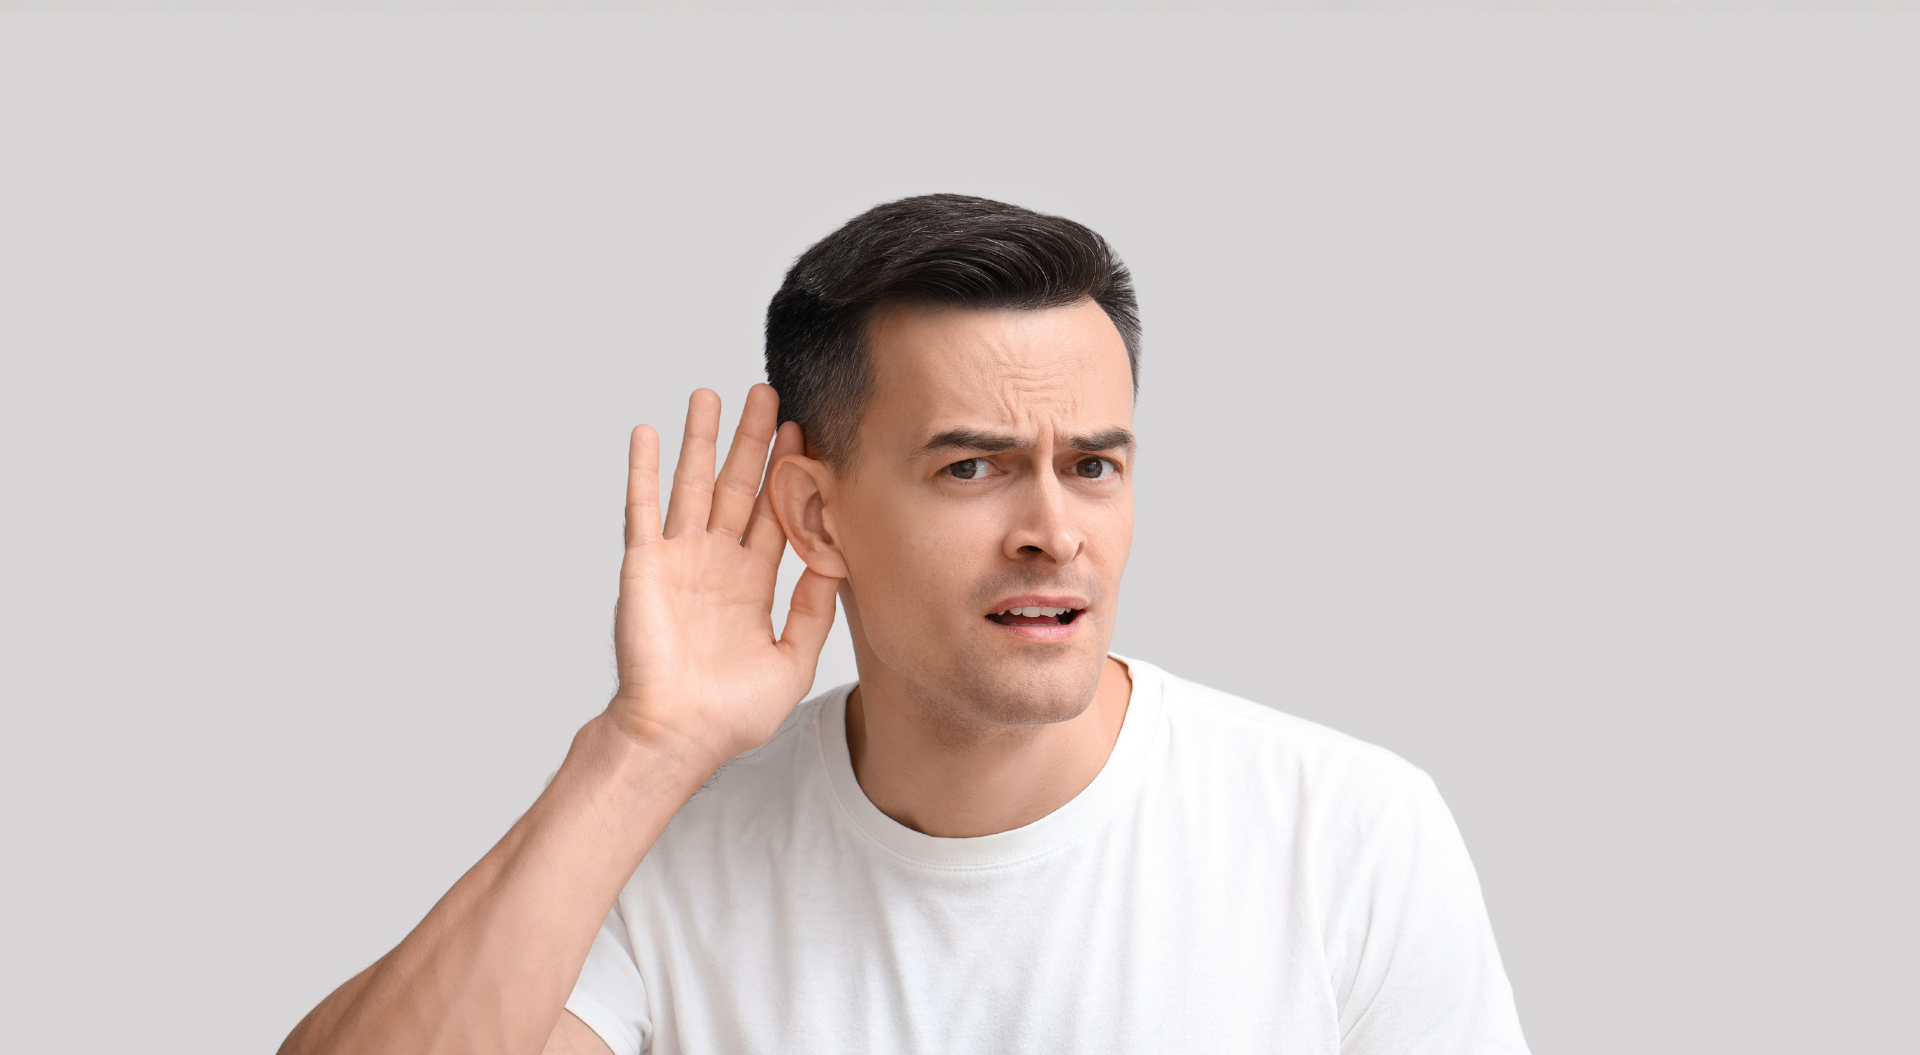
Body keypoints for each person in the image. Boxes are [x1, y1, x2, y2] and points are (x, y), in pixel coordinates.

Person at [279, 194, 1529, 1055]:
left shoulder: (1347, 835)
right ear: (817, 517)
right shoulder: (665, 857)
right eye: (972, 469)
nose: (1055, 532)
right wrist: (642, 750)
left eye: (1093, 466)